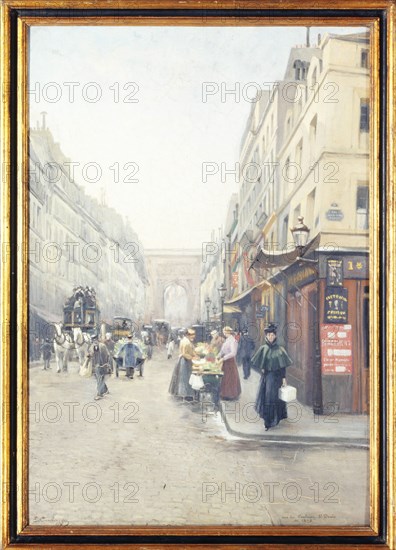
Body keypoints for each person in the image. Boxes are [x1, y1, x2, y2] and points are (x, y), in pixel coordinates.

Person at [251, 323, 293, 431]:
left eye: (272, 335)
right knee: (268, 398)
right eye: (269, 335)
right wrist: (263, 369)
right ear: (266, 336)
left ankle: (276, 418)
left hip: (277, 378)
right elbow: (259, 362)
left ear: (275, 336)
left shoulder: (280, 349)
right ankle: (268, 421)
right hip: (267, 378)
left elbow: (283, 366)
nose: (271, 337)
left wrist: (284, 379)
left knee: (277, 398)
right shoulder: (263, 348)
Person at [169, 328, 196, 400]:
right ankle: (186, 395)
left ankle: (182, 394)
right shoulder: (187, 342)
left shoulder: (183, 340)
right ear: (187, 334)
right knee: (185, 378)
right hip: (185, 361)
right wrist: (192, 358)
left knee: (181, 378)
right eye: (191, 335)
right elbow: (185, 354)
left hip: (182, 360)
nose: (193, 336)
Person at [218, 326, 241, 400]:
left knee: (230, 378)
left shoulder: (233, 341)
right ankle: (224, 393)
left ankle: (231, 395)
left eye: (224, 332)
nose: (223, 333)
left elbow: (233, 353)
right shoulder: (227, 340)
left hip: (230, 362)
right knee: (225, 378)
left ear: (227, 332)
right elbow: (222, 351)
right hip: (225, 361)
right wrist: (217, 356)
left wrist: (223, 358)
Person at [88, 334, 110, 401]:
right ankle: (105, 390)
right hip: (95, 365)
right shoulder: (92, 347)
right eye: (93, 340)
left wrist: (106, 364)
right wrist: (89, 355)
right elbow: (91, 354)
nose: (94, 341)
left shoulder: (102, 346)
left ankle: (99, 394)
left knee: (100, 379)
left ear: (98, 339)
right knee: (98, 379)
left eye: (95, 339)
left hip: (102, 365)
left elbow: (107, 355)